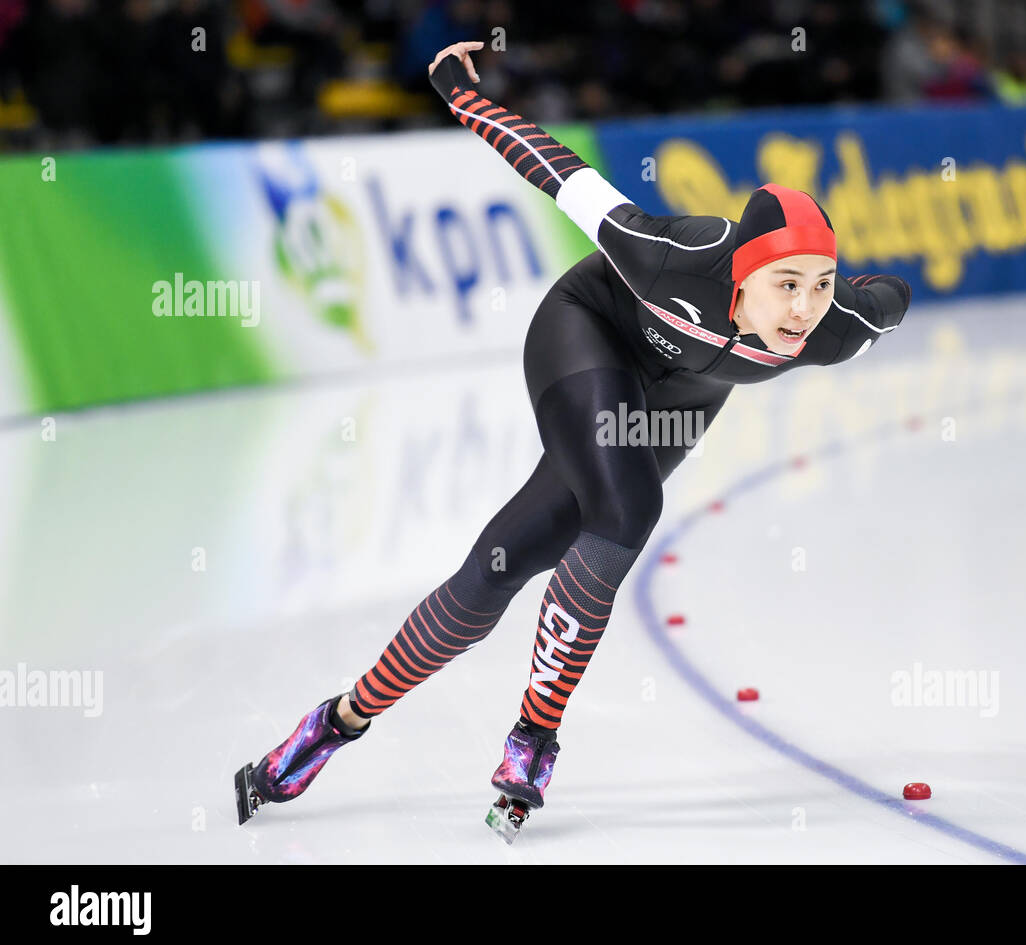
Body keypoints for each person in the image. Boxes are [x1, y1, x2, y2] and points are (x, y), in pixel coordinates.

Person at [235, 41, 911, 837]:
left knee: (496, 570)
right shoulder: (669, 256)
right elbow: (560, 174)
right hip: (585, 336)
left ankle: (332, 722)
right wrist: (462, 96)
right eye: (786, 285)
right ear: (740, 276)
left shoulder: (835, 328)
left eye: (820, 286)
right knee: (626, 507)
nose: (803, 309)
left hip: (678, 402)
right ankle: (534, 738)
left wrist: (866, 296)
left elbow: (890, 296)